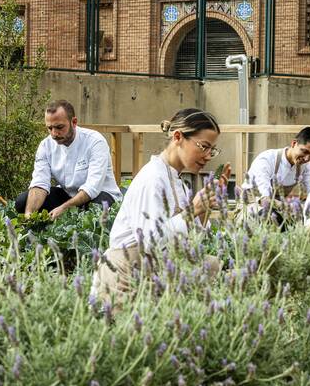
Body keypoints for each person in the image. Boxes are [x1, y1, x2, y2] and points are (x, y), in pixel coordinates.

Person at [92, 108, 229, 302]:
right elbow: (151, 241)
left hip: (151, 273)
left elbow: (189, 237)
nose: (207, 155)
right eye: (203, 146)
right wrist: (193, 210)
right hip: (124, 277)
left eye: (212, 150)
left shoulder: (176, 180)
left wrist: (205, 206)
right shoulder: (153, 178)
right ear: (178, 137)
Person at [15, 100, 122, 219]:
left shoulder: (95, 141)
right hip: (68, 195)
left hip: (100, 194)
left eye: (59, 127)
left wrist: (64, 208)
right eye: (49, 128)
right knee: (23, 202)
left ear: (74, 122)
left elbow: (92, 187)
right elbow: (40, 183)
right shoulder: (45, 146)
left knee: (96, 210)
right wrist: (29, 213)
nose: (54, 133)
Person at [241, 127, 310, 218]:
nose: (307, 159)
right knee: (269, 216)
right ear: (294, 143)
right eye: (305, 152)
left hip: (279, 207)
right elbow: (265, 199)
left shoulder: (306, 166)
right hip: (251, 204)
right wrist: (293, 207)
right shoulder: (267, 159)